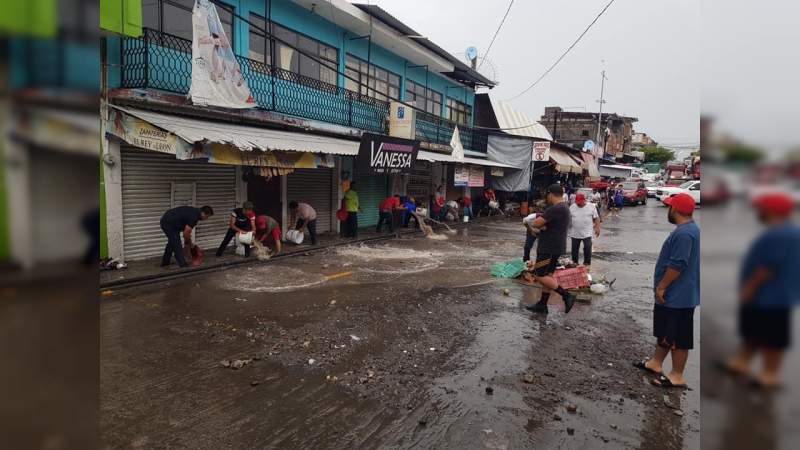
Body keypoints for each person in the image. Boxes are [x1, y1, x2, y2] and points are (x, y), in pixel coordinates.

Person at [720, 192, 800, 388]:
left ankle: (769, 374)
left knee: (773, 338)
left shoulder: (779, 234)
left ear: (771, 210)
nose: (758, 211)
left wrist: (749, 288)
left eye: (761, 208)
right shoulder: (784, 231)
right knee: (753, 331)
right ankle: (742, 362)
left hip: (771, 296)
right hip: (766, 295)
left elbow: (768, 267)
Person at [634, 193, 700, 389]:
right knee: (665, 332)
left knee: (678, 337)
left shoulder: (685, 233)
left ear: (675, 210)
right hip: (677, 293)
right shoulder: (688, 230)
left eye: (670, 206)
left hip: (678, 295)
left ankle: (677, 375)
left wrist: (662, 286)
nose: (668, 210)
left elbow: (678, 264)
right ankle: (656, 363)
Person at [524, 184, 577, 314]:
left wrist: (539, 225)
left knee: (539, 274)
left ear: (551, 194)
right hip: (556, 246)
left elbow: (537, 223)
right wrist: (543, 228)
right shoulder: (564, 207)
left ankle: (566, 295)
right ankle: (542, 305)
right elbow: (548, 226)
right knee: (548, 275)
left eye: (547, 195)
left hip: (548, 247)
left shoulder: (555, 208)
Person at [568, 193, 601, 268]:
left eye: (580, 202)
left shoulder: (591, 206)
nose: (578, 204)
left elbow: (596, 218)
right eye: (577, 202)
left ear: (584, 200)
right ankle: (575, 263)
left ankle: (587, 263)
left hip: (587, 232)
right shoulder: (572, 207)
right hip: (575, 232)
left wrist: (597, 228)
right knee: (574, 250)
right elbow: (567, 218)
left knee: (587, 247)